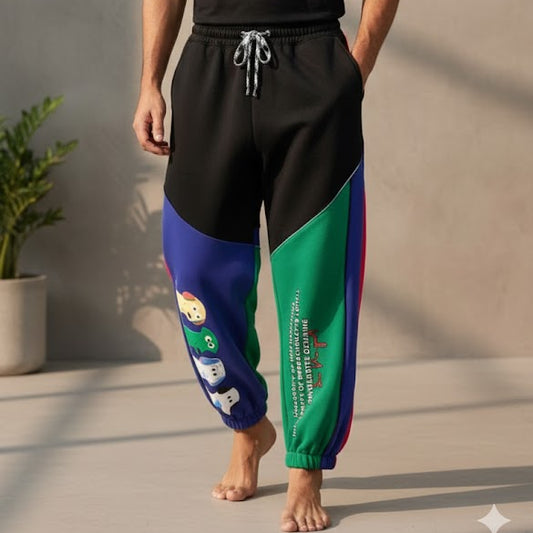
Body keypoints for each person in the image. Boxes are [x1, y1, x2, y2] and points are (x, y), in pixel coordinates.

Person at [133, 0, 399, 530]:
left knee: (315, 280)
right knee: (195, 269)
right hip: (209, 67)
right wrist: (150, 82)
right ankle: (248, 424)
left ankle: (306, 465)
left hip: (314, 64)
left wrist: (357, 65)